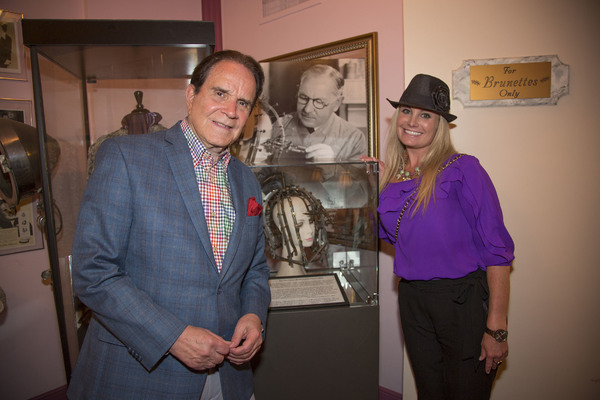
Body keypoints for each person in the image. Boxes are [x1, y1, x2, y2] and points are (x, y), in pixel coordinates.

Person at [67, 50, 271, 400]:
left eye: (243, 102)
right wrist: (172, 336)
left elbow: (255, 269)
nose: (231, 111)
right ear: (192, 94)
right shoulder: (125, 156)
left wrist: (253, 315)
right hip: (140, 375)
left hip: (228, 378)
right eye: (220, 94)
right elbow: (92, 270)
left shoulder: (247, 181)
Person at [363, 74, 514, 400]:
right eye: (406, 111)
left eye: (425, 114)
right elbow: (398, 239)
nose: (412, 121)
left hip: (462, 301)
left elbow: (497, 251)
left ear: (440, 124)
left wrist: (496, 328)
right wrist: (372, 187)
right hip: (413, 300)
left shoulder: (463, 169)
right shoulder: (392, 180)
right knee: (430, 393)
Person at [270, 64, 367, 163]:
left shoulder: (354, 139)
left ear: (337, 103)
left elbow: (359, 178)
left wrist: (332, 167)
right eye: (303, 97)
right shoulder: (279, 127)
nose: (307, 109)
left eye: (319, 102)